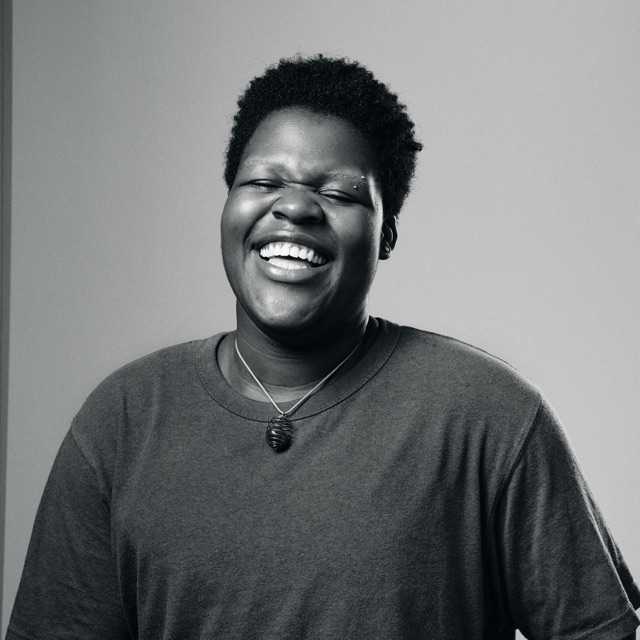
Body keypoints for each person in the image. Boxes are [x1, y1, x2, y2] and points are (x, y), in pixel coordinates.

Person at [6, 55, 639, 640]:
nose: (294, 207)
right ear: (228, 206)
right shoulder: (123, 419)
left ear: (386, 235)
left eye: (338, 194)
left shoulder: (488, 415)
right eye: (263, 181)